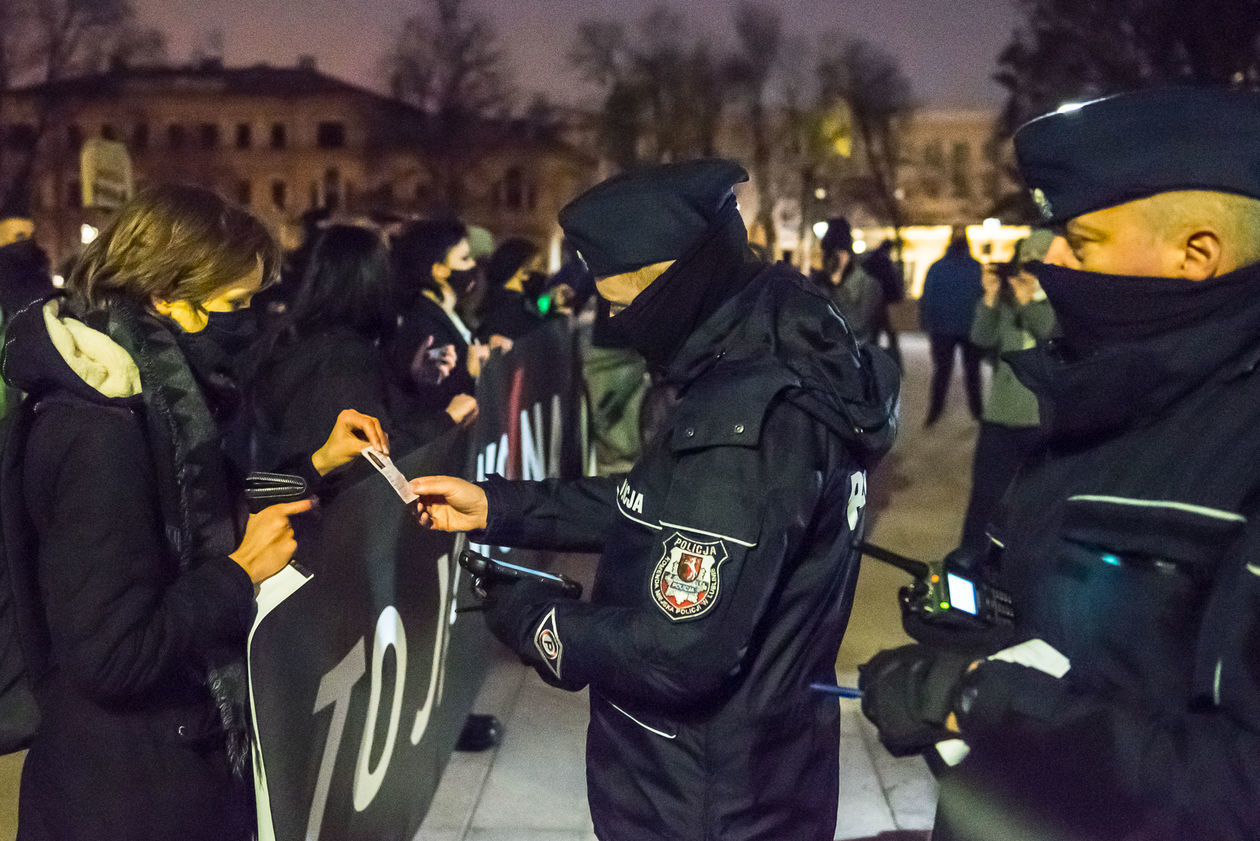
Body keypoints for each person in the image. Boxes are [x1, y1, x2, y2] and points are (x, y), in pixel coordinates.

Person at [409, 158, 900, 840]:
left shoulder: (743, 416)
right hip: (758, 767)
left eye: (620, 298)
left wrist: (533, 619)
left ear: (674, 282)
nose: (612, 316)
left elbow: (676, 652)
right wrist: (499, 505)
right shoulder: (786, 340)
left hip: (699, 790)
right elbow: (663, 503)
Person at [858, 86, 1260, 841]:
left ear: (1195, 254)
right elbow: (1068, 623)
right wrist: (973, 617)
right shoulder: (1106, 395)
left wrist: (985, 703)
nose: (1053, 264)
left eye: (1082, 242)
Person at [0, 184, 387, 841]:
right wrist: (239, 574)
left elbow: (204, 494)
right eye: (236, 304)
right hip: (123, 796)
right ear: (165, 294)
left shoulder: (157, 397)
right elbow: (111, 653)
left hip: (161, 767)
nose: (251, 321)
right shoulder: (101, 430)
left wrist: (315, 464)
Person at [246, 223, 475, 468]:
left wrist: (411, 380)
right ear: (373, 278)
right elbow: (368, 461)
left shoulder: (305, 340)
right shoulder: (343, 358)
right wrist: (447, 419)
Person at [955, 230, 1057, 565]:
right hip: (1000, 417)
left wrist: (1031, 302)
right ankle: (969, 565)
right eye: (1024, 262)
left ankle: (1016, 570)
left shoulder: (1063, 304)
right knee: (984, 499)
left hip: (1041, 421)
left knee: (1034, 505)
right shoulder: (1010, 300)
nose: (1026, 270)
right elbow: (981, 338)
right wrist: (989, 297)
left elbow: (1051, 335)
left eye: (1036, 263)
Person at [388, 219, 511, 410]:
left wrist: (487, 345)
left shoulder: (448, 312)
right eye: (464, 258)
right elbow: (431, 398)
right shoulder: (424, 325)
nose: (472, 265)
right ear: (439, 270)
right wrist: (469, 371)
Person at [920, 226, 984, 425]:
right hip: (970, 329)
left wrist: (927, 323)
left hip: (942, 329)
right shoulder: (976, 267)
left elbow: (926, 299)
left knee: (942, 373)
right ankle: (977, 412)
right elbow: (984, 299)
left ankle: (935, 412)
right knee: (972, 373)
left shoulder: (937, 267)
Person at [811, 216, 885, 345]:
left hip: (857, 355)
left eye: (838, 253)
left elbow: (856, 325)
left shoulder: (868, 285)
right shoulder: (818, 284)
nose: (832, 260)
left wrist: (836, 286)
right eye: (828, 254)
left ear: (848, 254)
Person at [474, 236, 551, 342]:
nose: (543, 272)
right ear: (522, 272)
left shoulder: (490, 300)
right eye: (538, 266)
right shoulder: (514, 309)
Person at [863, 238, 905, 369]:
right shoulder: (885, 263)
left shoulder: (871, 261)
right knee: (891, 337)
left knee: (874, 336)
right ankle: (895, 365)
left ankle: (869, 363)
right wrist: (897, 297)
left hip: (874, 304)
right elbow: (891, 284)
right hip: (884, 305)